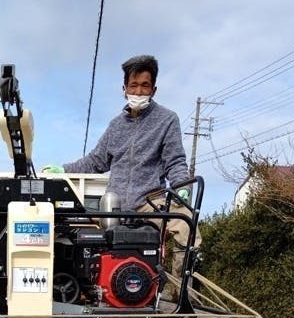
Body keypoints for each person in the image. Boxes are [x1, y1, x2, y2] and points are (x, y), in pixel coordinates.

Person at [42, 54, 201, 295]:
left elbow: (175, 162)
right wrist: (62, 170)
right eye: (133, 85)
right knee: (67, 230)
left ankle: (182, 296)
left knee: (186, 224)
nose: (139, 91)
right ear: (124, 88)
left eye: (145, 85)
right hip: (113, 204)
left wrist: (182, 188)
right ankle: (77, 292)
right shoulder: (115, 125)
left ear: (154, 89)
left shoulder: (167, 120)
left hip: (149, 202)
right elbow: (95, 161)